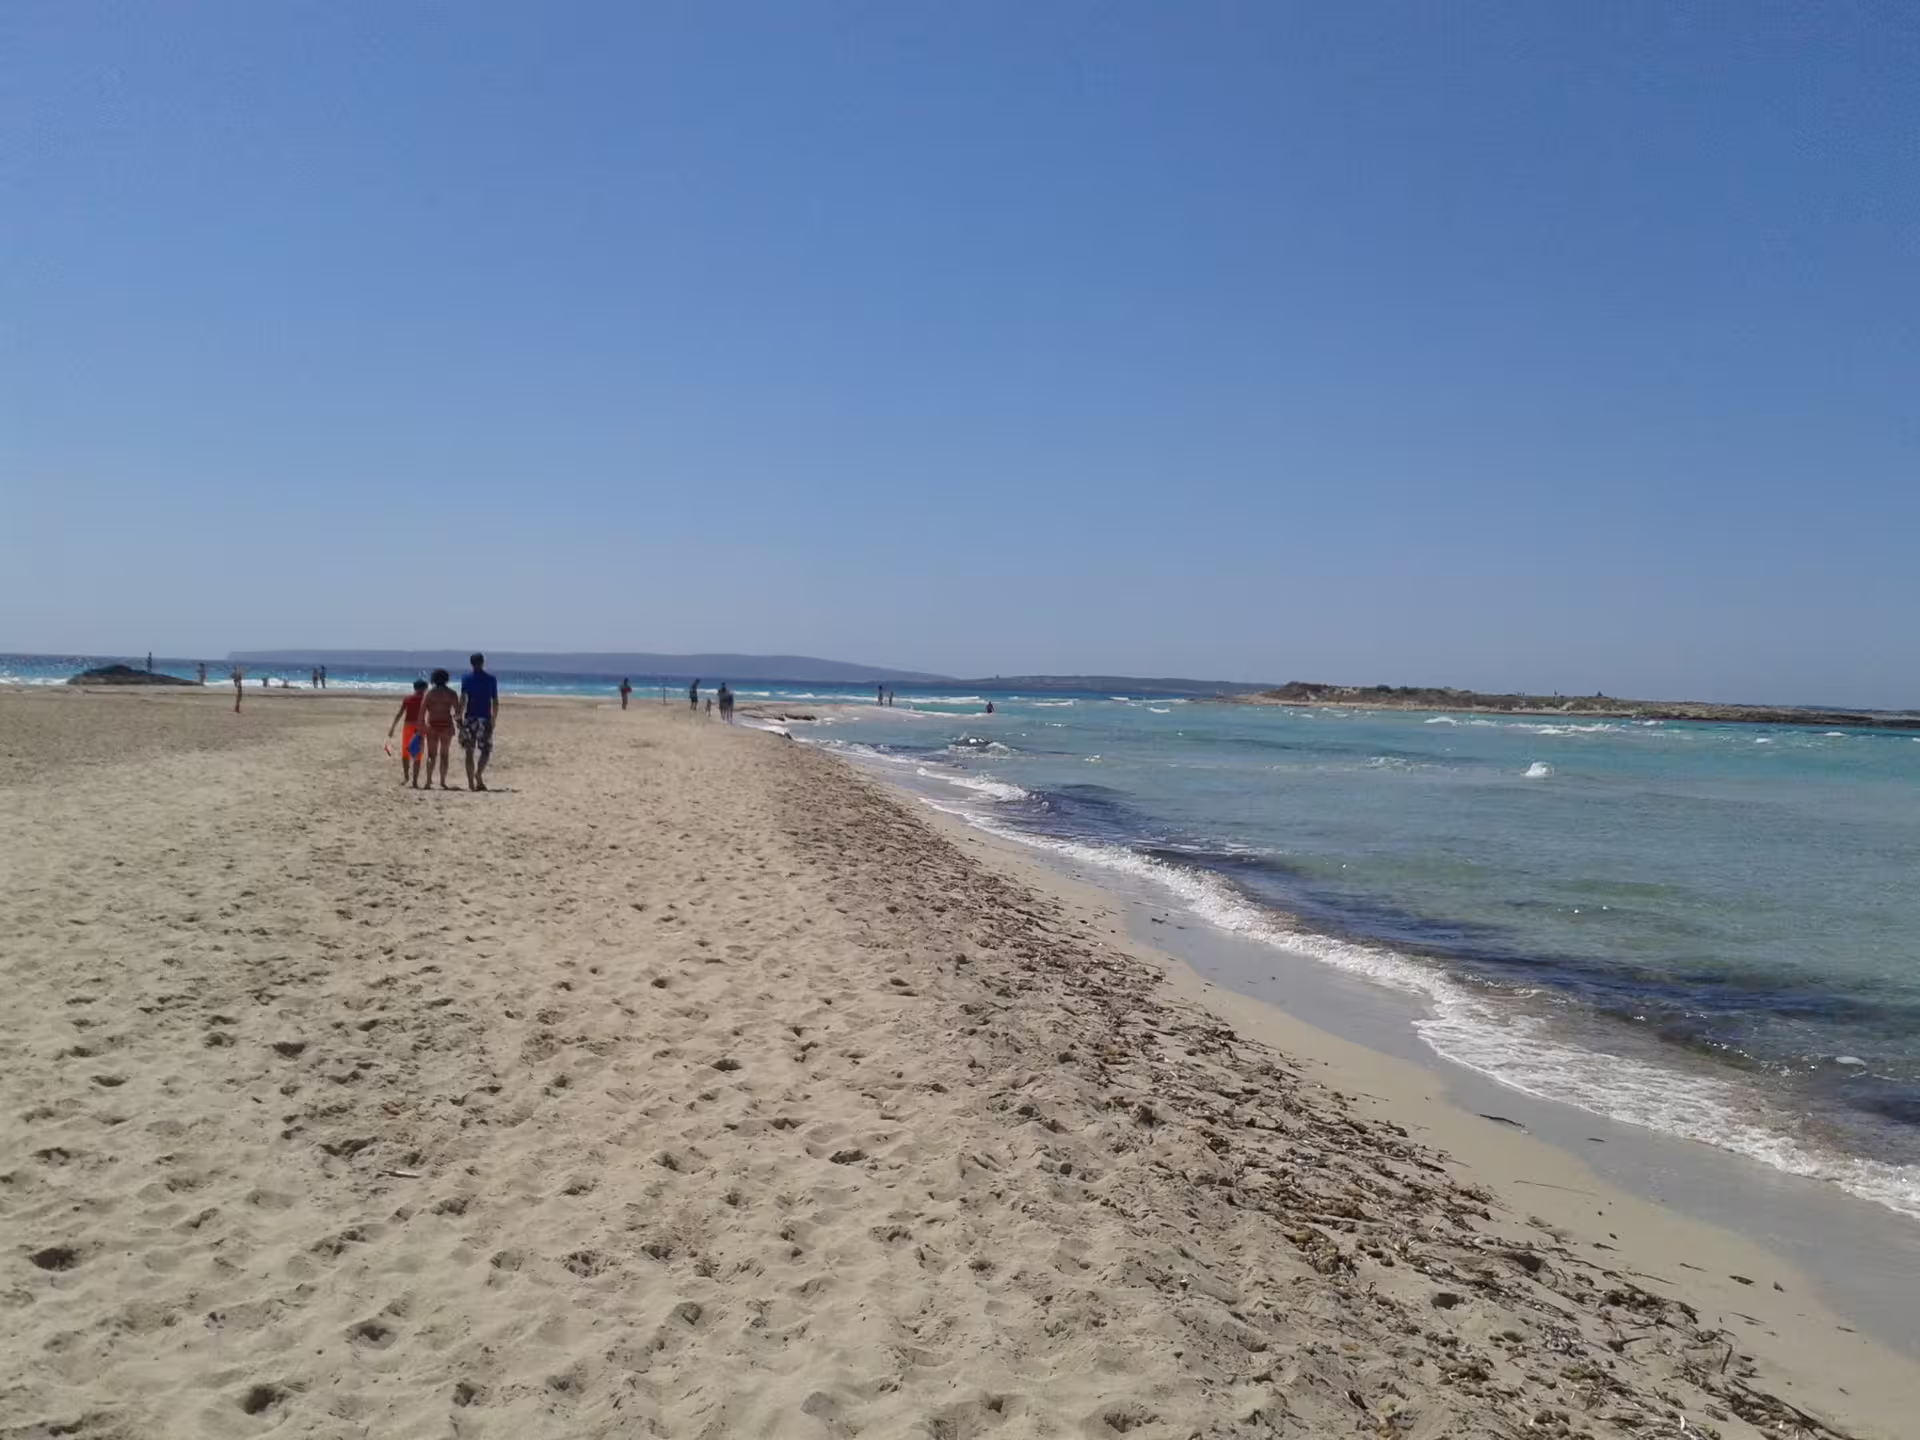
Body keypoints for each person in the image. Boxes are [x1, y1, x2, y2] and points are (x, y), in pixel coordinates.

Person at [460, 653, 500, 791]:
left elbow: (463, 699)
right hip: (484, 718)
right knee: (485, 750)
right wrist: (494, 719)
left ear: (471, 663)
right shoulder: (491, 679)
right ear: (483, 662)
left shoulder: (466, 679)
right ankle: (478, 774)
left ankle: (471, 783)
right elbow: (495, 702)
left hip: (470, 718)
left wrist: (459, 715)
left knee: (469, 751)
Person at [420, 669, 461, 788]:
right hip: (446, 726)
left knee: (431, 755)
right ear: (446, 679)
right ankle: (442, 781)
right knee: (444, 755)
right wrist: (460, 724)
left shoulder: (429, 693)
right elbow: (457, 712)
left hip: (432, 725)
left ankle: (428, 781)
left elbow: (422, 710)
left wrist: (421, 724)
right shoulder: (451, 693)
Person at [388, 679, 429, 787]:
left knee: (406, 753)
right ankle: (415, 781)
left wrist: (392, 728)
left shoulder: (408, 699)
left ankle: (406, 777)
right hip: (419, 727)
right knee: (417, 755)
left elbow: (399, 714)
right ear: (425, 688)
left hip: (408, 726)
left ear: (414, 688)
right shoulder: (426, 699)